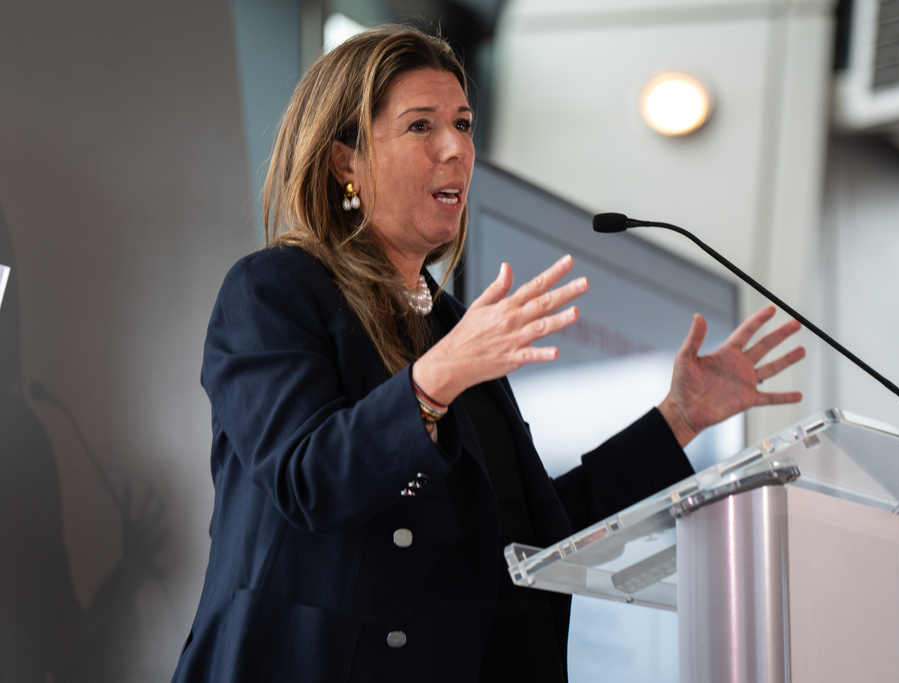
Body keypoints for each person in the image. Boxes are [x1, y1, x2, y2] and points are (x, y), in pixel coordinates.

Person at [171, 24, 804, 683]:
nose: (456, 148)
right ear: (345, 162)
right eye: (421, 126)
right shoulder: (275, 290)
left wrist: (677, 418)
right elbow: (307, 478)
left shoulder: (448, 323)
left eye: (464, 124)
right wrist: (437, 377)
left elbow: (532, 536)